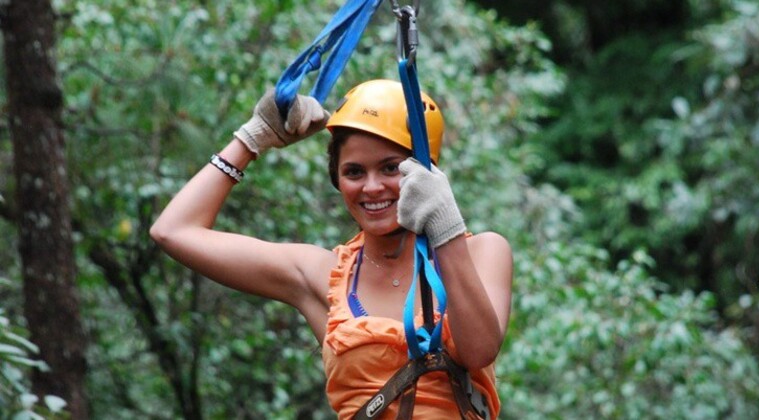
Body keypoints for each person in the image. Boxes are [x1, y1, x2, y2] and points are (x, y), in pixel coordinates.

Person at [150, 79, 513, 419]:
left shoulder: (482, 251)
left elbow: (478, 350)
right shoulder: (324, 276)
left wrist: (444, 224)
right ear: (336, 180)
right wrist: (252, 139)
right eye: (354, 172)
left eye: (391, 168)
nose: (372, 187)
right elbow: (174, 231)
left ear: (423, 170)